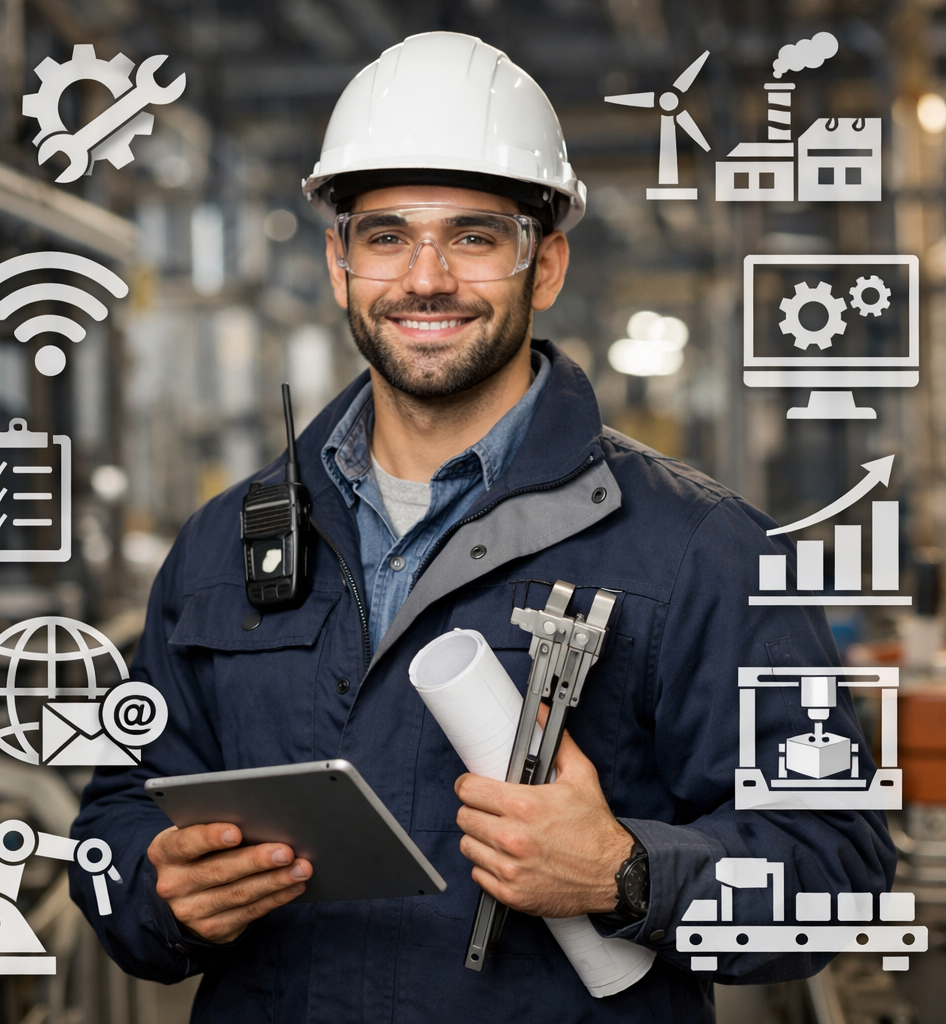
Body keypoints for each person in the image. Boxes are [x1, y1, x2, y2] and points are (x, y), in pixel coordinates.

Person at [71, 31, 895, 1023]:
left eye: (473, 235)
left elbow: (839, 879)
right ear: (339, 264)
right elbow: (114, 815)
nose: (426, 278)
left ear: (542, 264)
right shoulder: (219, 548)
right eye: (385, 236)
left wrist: (628, 873)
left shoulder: (703, 551)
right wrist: (159, 886)